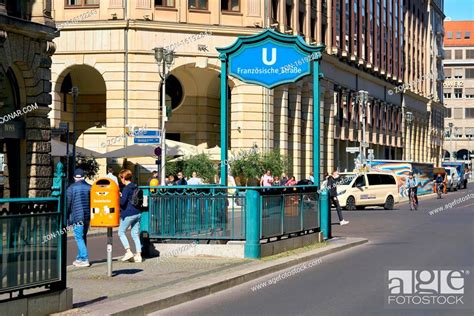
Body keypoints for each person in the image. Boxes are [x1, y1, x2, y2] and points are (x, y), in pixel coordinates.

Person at [67, 168, 91, 267]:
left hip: (77, 216)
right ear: (84, 177)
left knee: (78, 237)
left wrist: (67, 218)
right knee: (83, 236)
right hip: (87, 216)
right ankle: (79, 258)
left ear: (74, 177)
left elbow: (68, 204)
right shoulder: (90, 187)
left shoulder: (71, 188)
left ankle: (85, 259)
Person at [118, 169, 142, 263]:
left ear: (124, 178)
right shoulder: (135, 186)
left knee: (121, 232)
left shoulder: (126, 188)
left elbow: (122, 203)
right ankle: (138, 255)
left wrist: (118, 197)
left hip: (129, 213)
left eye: (121, 178)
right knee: (135, 234)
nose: (120, 180)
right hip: (138, 213)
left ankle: (128, 252)